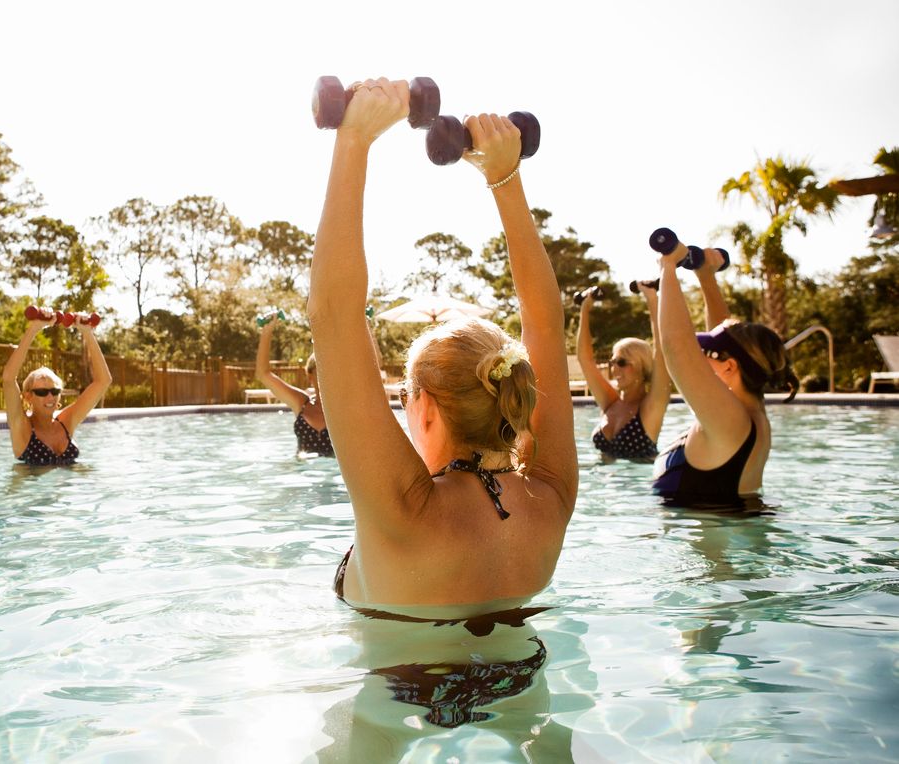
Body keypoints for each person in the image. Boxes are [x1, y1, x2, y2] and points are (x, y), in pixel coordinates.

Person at [309, 78, 578, 606]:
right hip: (526, 687)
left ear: (425, 408)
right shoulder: (549, 496)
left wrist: (355, 138)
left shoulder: (404, 511)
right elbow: (545, 322)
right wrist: (506, 176)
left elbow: (334, 314)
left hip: (405, 692)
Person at [652, 246, 797, 506]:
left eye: (706, 351)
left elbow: (677, 348)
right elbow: (727, 341)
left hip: (712, 541)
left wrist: (668, 266)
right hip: (729, 535)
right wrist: (706, 276)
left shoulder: (732, 422)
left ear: (730, 367)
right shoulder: (746, 416)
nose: (698, 356)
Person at [2, 309, 112, 465]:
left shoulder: (65, 422)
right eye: (41, 392)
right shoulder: (22, 427)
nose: (50, 397)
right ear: (28, 396)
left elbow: (103, 381)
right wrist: (34, 328)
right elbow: (8, 379)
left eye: (55, 391)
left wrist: (87, 332)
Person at [575, 283, 670, 461]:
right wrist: (585, 308)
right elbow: (585, 359)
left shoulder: (651, 406)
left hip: (639, 486)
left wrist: (652, 299)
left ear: (642, 367)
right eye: (613, 362)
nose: (614, 368)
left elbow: (661, 352)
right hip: (606, 485)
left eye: (622, 362)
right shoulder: (610, 402)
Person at [254, 314, 334, 457]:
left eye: (331, 370)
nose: (327, 377)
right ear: (310, 375)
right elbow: (263, 374)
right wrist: (266, 332)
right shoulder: (301, 403)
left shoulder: (344, 405)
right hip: (302, 475)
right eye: (320, 371)